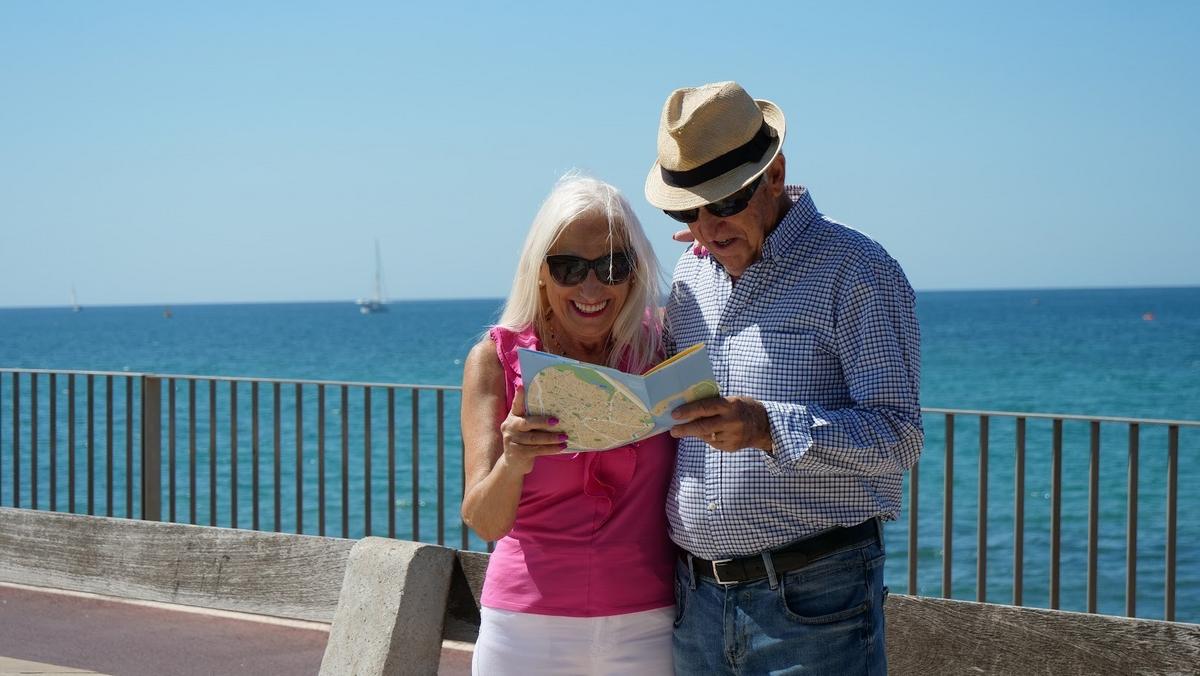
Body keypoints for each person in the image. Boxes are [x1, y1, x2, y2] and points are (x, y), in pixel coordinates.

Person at [644, 81, 924, 674]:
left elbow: (900, 437)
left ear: (774, 176)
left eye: (723, 202)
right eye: (686, 211)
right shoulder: (693, 274)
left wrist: (766, 426)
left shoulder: (857, 270)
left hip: (814, 599)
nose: (706, 227)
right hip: (695, 603)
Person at [460, 173, 675, 675]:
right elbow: (485, 520)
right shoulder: (495, 361)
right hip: (525, 630)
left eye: (613, 265)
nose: (592, 286)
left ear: (635, 270)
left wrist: (712, 234)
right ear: (539, 272)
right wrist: (513, 463)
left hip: (649, 623)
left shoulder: (660, 346)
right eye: (570, 267)